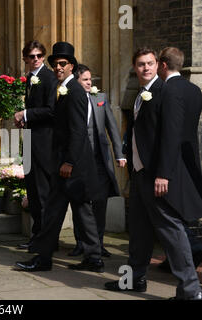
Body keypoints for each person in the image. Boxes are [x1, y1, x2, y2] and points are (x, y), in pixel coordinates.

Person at [104, 48, 202, 300]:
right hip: (139, 174)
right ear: (135, 67)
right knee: (138, 231)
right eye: (140, 64)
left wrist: (163, 174)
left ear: (158, 65)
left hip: (156, 175)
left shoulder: (165, 91)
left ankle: (190, 291)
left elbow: (170, 138)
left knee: (171, 230)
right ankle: (133, 280)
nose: (145, 68)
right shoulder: (140, 94)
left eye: (150, 63)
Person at [15, 42, 104, 273]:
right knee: (68, 211)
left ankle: (70, 257)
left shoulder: (74, 91)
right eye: (55, 64)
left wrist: (69, 162)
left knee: (76, 211)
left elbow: (78, 131)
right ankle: (87, 257)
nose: (58, 68)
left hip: (71, 166)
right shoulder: (63, 89)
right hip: (64, 163)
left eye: (63, 64)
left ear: (71, 66)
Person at [68, 64, 126, 258]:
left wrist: (120, 154)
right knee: (80, 202)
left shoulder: (100, 98)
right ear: (76, 81)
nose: (89, 83)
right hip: (79, 161)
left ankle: (99, 243)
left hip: (99, 160)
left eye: (90, 80)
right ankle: (80, 243)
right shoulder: (69, 99)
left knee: (100, 202)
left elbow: (111, 127)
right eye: (85, 80)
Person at [156, 47, 202, 273]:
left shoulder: (166, 90)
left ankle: (191, 251)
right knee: (181, 209)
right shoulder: (195, 89)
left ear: (163, 65)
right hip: (189, 154)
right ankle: (175, 258)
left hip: (170, 159)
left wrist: (162, 169)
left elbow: (168, 131)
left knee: (171, 213)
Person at [13, 40, 58, 251]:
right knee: (33, 191)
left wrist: (26, 114)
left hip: (44, 144)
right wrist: (25, 119)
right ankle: (37, 236)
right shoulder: (31, 78)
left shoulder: (49, 78)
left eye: (39, 56)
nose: (36, 60)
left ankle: (46, 240)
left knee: (42, 193)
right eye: (32, 56)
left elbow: (51, 110)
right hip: (31, 141)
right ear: (25, 58)